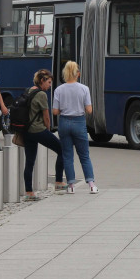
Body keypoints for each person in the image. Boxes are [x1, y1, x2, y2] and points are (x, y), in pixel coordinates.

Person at [53, 61, 98, 194]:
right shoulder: (84, 89)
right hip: (79, 122)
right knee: (84, 155)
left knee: (67, 155)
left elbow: (55, 111)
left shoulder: (59, 90)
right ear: (78, 74)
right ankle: (91, 184)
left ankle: (71, 186)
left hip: (64, 123)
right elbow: (89, 110)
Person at [21, 69, 66, 200]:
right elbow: (46, 116)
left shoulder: (28, 90)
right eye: (49, 82)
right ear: (42, 81)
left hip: (27, 131)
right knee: (62, 149)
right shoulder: (42, 94)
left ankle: (29, 192)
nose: (50, 85)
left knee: (29, 161)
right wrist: (48, 130)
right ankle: (58, 181)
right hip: (38, 130)